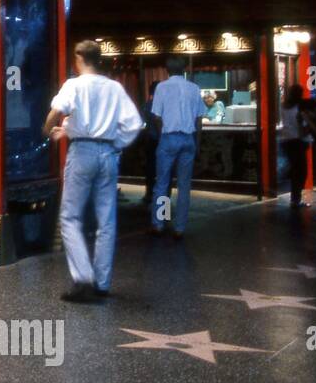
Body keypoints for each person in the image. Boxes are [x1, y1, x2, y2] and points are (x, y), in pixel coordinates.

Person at [44, 40, 143, 302]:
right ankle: (102, 282)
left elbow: (58, 111)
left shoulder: (74, 84)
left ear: (79, 58)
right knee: (106, 220)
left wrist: (47, 128)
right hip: (108, 154)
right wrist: (115, 143)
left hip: (82, 154)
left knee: (70, 217)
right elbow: (133, 124)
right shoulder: (114, 88)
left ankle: (83, 278)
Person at [150, 55, 207, 239]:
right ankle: (180, 228)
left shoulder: (161, 87)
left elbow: (157, 117)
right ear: (184, 69)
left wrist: (162, 137)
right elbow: (199, 120)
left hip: (168, 138)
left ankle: (161, 222)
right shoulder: (194, 88)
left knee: (162, 183)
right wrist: (197, 143)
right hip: (188, 139)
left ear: (167, 70)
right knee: (184, 186)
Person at [278, 84, 311, 209]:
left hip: (287, 140)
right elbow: (302, 127)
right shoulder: (299, 108)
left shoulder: (283, 106)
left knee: (295, 171)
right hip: (298, 141)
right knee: (301, 171)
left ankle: (295, 198)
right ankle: (296, 199)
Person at [140, 81, 161, 205]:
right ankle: (163, 213)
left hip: (150, 140)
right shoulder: (163, 105)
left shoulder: (147, 105)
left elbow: (143, 121)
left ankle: (149, 194)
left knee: (150, 169)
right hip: (161, 140)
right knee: (163, 174)